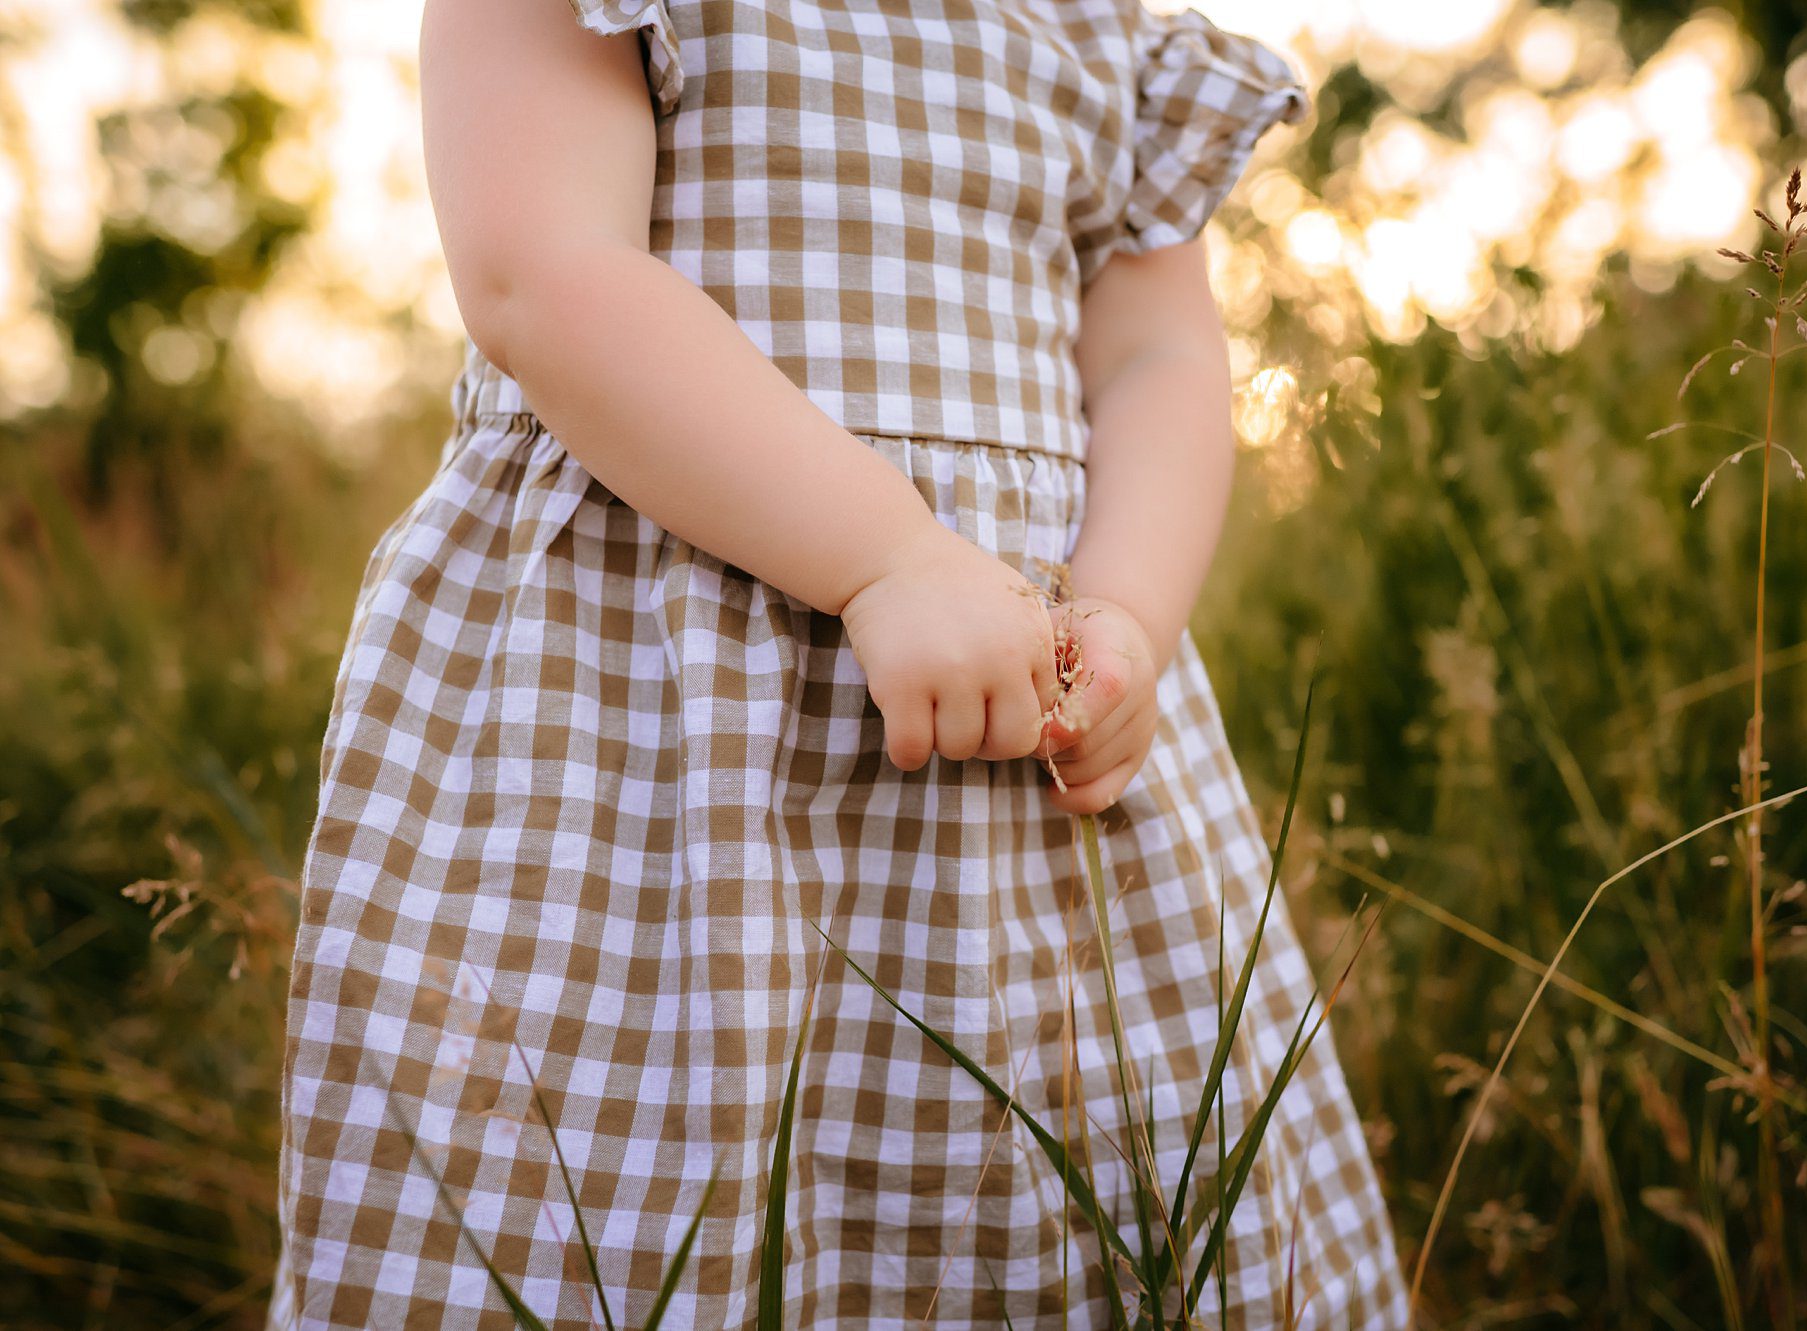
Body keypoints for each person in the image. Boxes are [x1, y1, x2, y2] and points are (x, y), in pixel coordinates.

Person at [266, 0, 1408, 1326]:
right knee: (619, 1205)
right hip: (659, 704)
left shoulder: (1104, 28)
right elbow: (543, 271)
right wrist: (888, 556)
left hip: (1036, 714)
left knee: (1090, 1188)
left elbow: (1159, 357)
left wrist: (1128, 613)